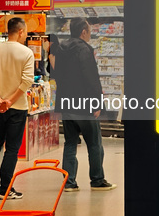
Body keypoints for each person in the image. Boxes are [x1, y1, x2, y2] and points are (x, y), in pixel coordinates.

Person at [55, 18, 117, 192]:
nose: (90, 34)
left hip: (66, 105)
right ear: (83, 31)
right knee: (94, 142)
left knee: (70, 143)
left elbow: (57, 76)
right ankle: (97, 180)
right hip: (83, 105)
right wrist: (97, 103)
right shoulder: (84, 50)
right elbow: (91, 79)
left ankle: (69, 182)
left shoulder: (61, 49)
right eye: (89, 31)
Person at [0, 17, 34, 200]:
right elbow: (27, 81)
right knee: (11, 149)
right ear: (20, 31)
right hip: (17, 108)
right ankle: (5, 189)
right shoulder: (26, 53)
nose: (25, 36)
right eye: (25, 32)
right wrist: (10, 101)